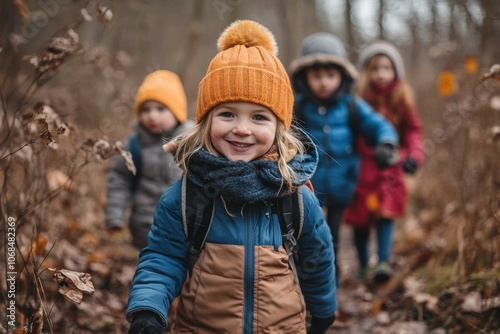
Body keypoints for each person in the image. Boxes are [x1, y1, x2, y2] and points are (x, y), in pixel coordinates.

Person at [126, 20, 337, 334]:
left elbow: (317, 259)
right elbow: (163, 257)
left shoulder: (295, 197)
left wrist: (323, 310)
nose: (242, 128)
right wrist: (149, 308)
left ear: (279, 128)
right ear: (206, 121)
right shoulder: (187, 196)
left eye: (258, 117)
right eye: (227, 114)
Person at [289, 33, 399, 285]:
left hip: (342, 185)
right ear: (305, 77)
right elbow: (282, 134)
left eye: (330, 75)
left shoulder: (351, 106)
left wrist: (386, 143)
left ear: (342, 76)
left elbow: (377, 124)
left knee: (334, 233)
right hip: (307, 186)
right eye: (317, 76)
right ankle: (306, 276)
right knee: (307, 231)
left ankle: (332, 274)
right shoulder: (299, 107)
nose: (324, 82)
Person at [343, 40, 424, 283]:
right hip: (361, 169)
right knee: (360, 220)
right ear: (366, 72)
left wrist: (414, 156)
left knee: (385, 214)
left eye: (387, 68)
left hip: (390, 167)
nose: (381, 74)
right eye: (375, 68)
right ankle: (362, 263)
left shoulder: (401, 98)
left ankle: (383, 261)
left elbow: (413, 131)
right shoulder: (356, 100)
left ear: (395, 71)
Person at [104, 70, 193, 249]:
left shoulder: (192, 143)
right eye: (146, 109)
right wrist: (114, 215)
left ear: (177, 112)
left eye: (160, 109)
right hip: (145, 226)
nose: (152, 115)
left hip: (185, 225)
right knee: (153, 266)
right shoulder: (134, 145)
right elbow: (120, 181)